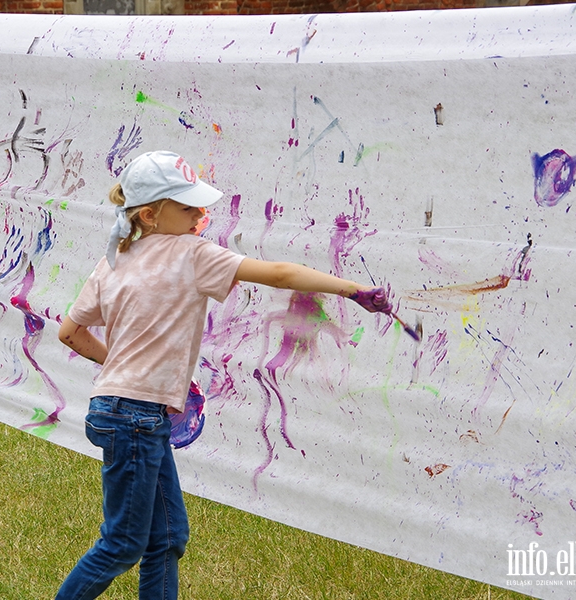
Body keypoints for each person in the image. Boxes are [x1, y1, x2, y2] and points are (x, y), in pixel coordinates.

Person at [55, 150, 391, 600]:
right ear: (151, 214)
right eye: (188, 207)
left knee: (167, 538)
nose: (200, 215)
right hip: (136, 419)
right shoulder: (192, 254)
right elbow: (280, 274)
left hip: (120, 411)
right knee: (122, 544)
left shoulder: (115, 258)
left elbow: (70, 332)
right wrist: (350, 289)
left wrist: (126, 368)